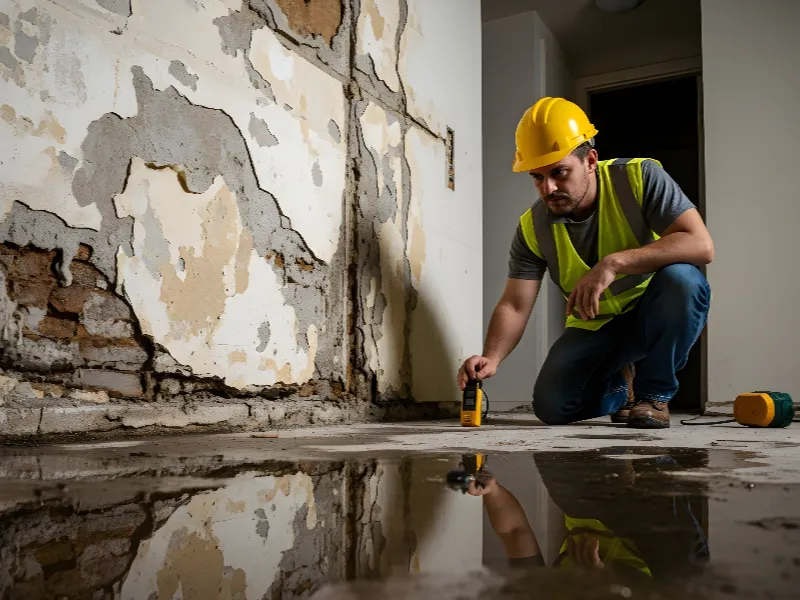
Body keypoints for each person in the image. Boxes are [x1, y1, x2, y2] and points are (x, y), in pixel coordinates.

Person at [458, 97, 713, 428]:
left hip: (654, 312)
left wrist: (613, 263)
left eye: (559, 172)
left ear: (590, 160)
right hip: (596, 325)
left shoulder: (640, 177)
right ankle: (624, 390)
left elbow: (700, 244)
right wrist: (491, 359)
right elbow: (515, 304)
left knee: (684, 280)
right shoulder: (531, 227)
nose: (548, 188)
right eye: (537, 176)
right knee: (553, 407)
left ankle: (655, 396)